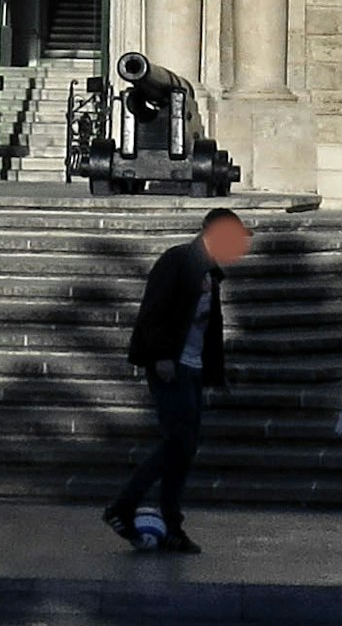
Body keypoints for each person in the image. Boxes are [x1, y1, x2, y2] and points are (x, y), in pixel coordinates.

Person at [103, 206, 249, 554]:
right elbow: (154, 310)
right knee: (177, 443)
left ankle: (170, 524)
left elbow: (208, 330)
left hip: (193, 368)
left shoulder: (210, 273)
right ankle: (124, 506)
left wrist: (217, 373)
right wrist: (161, 356)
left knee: (184, 447)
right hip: (172, 366)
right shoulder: (179, 261)